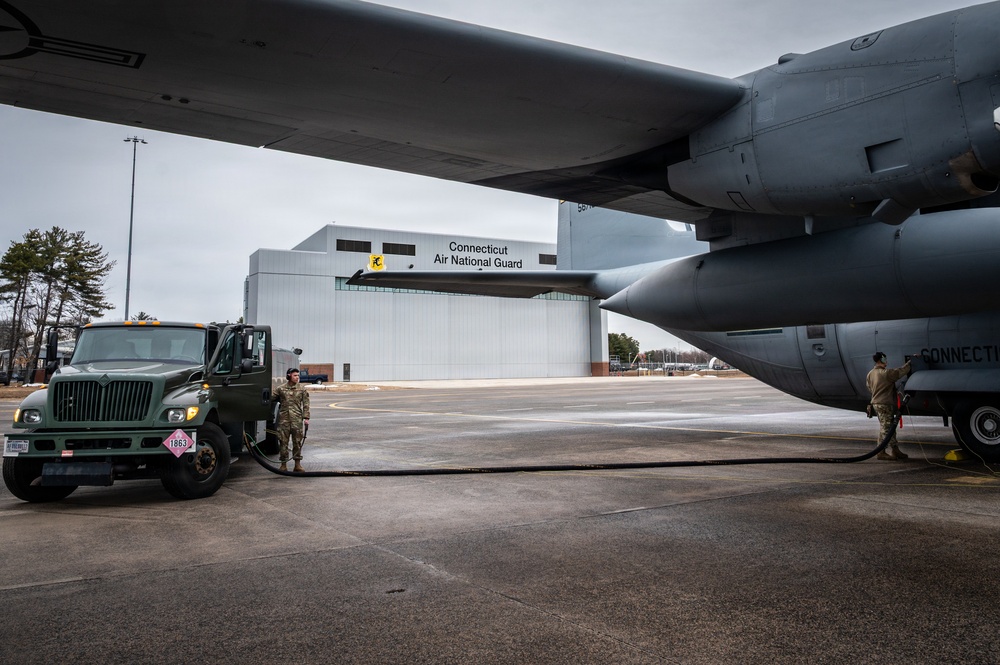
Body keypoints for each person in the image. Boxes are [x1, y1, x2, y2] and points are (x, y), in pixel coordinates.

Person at [866, 352, 911, 461]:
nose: (886, 361)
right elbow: (899, 372)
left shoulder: (871, 374)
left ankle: (895, 450)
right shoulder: (885, 373)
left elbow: (869, 388)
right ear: (879, 360)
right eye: (884, 359)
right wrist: (910, 364)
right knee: (886, 428)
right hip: (884, 404)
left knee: (890, 427)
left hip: (877, 403)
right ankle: (881, 452)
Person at [272, 368, 310, 472]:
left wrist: (306, 417)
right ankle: (283, 465)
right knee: (283, 442)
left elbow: (306, 405)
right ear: (289, 376)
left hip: (297, 420)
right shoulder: (281, 389)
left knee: (297, 442)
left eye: (298, 375)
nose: (297, 377)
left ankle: (297, 465)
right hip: (284, 420)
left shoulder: (302, 389)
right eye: (295, 375)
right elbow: (271, 398)